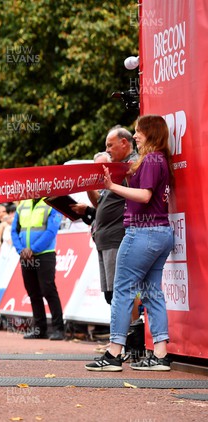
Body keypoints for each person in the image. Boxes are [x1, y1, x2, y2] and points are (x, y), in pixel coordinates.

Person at [86, 115, 175, 372]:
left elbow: (144, 196)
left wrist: (112, 185)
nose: (135, 136)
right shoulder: (160, 159)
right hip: (161, 232)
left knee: (122, 291)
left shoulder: (151, 160)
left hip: (142, 233)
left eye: (138, 131)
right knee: (153, 293)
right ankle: (160, 354)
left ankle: (114, 353)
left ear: (151, 133)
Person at [71, 128, 137, 305]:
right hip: (104, 239)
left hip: (117, 237)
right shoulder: (116, 172)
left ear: (123, 143)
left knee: (120, 292)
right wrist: (87, 183)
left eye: (110, 145)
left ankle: (131, 330)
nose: (107, 149)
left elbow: (138, 197)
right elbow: (101, 203)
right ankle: (124, 330)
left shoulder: (130, 166)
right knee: (111, 295)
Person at [11, 198, 65, 340]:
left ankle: (59, 329)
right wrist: (21, 250)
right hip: (25, 255)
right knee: (33, 293)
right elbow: (13, 231)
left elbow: (51, 231)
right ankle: (40, 330)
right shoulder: (22, 204)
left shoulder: (53, 203)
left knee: (48, 290)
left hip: (45, 255)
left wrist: (33, 249)